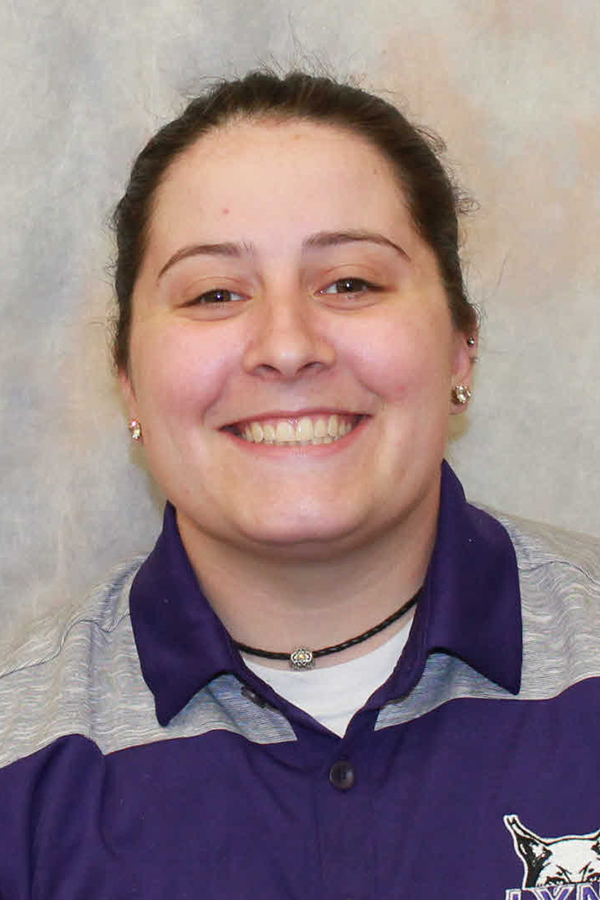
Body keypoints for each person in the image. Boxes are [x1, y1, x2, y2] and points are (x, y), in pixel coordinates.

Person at [1, 70, 599, 900]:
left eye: (351, 283)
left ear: (462, 347)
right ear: (128, 382)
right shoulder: (20, 765)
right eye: (214, 293)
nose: (286, 347)